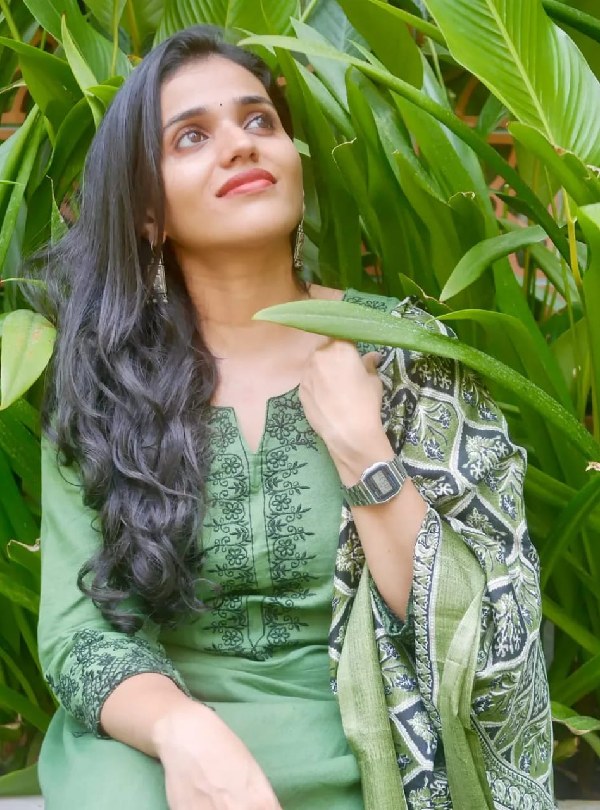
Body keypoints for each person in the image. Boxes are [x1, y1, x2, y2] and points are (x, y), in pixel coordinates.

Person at [34, 24, 554, 810]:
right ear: (146, 213)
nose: (241, 144)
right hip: (153, 752)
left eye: (259, 121)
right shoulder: (109, 383)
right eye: (191, 136)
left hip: (376, 748)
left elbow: (486, 632)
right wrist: (182, 730)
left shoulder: (401, 354)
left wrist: (365, 454)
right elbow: (81, 633)